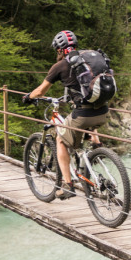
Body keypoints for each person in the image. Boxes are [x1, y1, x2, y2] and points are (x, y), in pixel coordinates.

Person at [21, 30, 109, 199]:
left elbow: (40, 91)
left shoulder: (60, 66)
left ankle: (68, 186)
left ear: (60, 49)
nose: (57, 53)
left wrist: (28, 97)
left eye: (57, 50)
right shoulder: (86, 59)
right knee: (85, 117)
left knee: (61, 140)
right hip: (103, 111)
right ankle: (96, 144)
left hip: (83, 115)